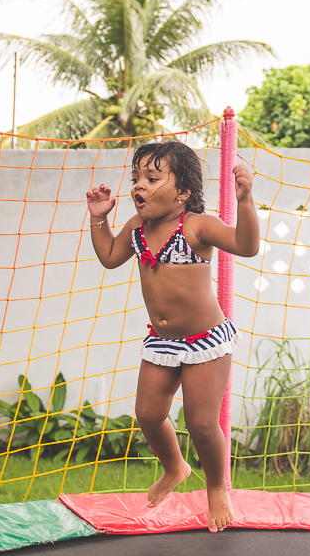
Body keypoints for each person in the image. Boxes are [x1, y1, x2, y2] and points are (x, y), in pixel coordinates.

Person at [86, 139, 259, 532]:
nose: (138, 187)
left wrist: (245, 201)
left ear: (182, 192)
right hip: (162, 342)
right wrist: (99, 217)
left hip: (206, 341)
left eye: (151, 178)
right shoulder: (136, 228)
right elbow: (110, 258)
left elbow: (246, 247)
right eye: (136, 179)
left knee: (201, 423)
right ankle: (175, 466)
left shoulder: (197, 225)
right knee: (148, 415)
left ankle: (217, 488)